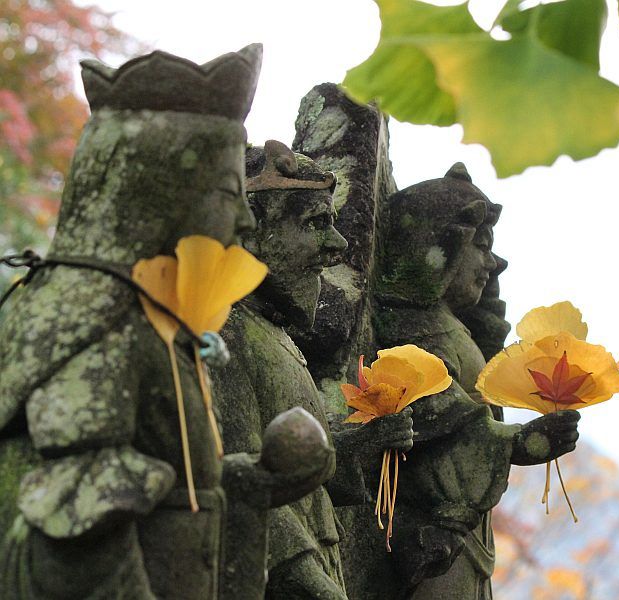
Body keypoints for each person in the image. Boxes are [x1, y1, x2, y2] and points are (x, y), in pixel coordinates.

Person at [0, 44, 261, 599]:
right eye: (227, 193)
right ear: (156, 193)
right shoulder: (93, 322)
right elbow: (75, 519)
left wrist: (253, 483)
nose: (244, 218)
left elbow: (178, 481)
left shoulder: (145, 314)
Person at [212, 140, 414, 600]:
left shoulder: (271, 336)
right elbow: (242, 483)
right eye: (315, 223)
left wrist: (357, 446)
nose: (337, 245)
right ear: (247, 232)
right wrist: (312, 584)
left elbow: (295, 469)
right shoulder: (224, 335)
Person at [369, 163, 581, 599]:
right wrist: (517, 442)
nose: (493, 262)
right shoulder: (414, 327)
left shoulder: (450, 325)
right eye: (480, 246)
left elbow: (487, 354)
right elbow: (435, 412)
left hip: (465, 534)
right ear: (442, 246)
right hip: (431, 525)